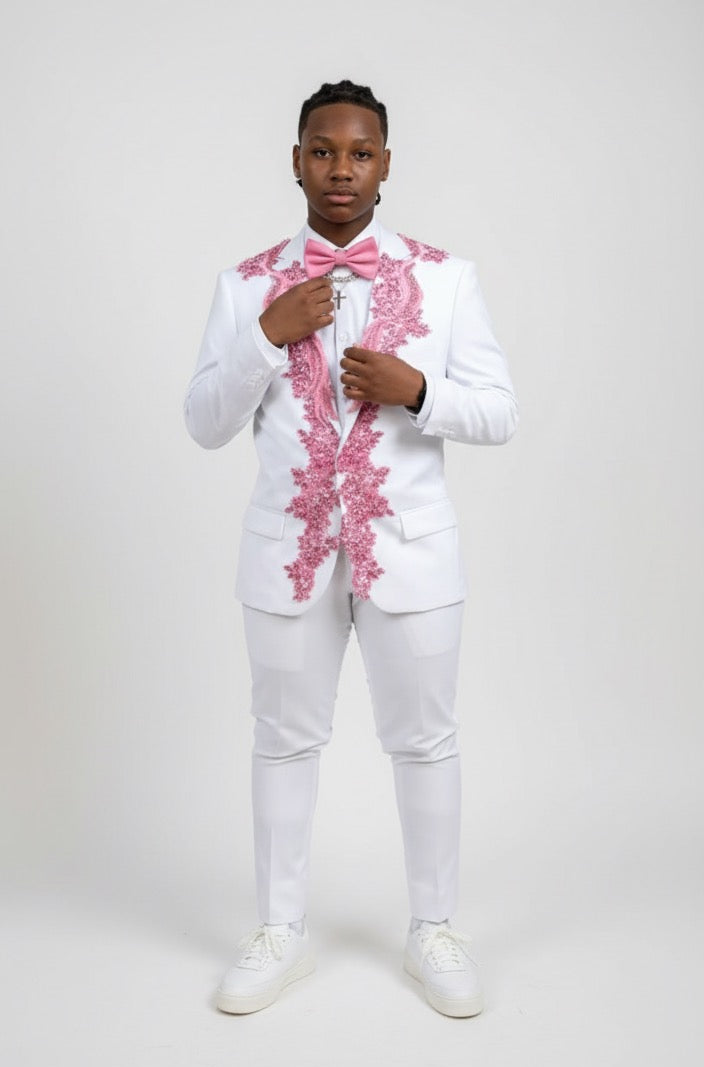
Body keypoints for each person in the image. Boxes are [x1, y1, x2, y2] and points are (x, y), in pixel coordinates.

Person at [184, 79, 518, 1017]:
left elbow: (500, 413)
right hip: (285, 552)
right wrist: (264, 337)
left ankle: (434, 930)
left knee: (426, 741)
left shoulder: (448, 277)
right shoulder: (247, 284)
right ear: (296, 160)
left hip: (410, 553)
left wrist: (420, 391)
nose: (341, 168)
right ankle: (280, 932)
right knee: (283, 742)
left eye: (360, 151)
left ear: (385, 164)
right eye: (322, 150)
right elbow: (205, 423)